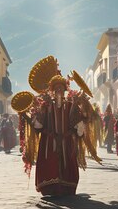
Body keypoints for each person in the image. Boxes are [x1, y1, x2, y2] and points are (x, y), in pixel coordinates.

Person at [22, 57, 100, 196]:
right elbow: (38, 126)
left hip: (67, 141)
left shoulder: (71, 105)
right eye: (56, 88)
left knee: (67, 163)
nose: (59, 90)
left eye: (61, 88)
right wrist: (39, 111)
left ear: (65, 90)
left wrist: (80, 120)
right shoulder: (46, 106)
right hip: (48, 142)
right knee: (49, 164)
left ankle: (66, 187)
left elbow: (79, 127)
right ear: (52, 90)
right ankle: (49, 188)